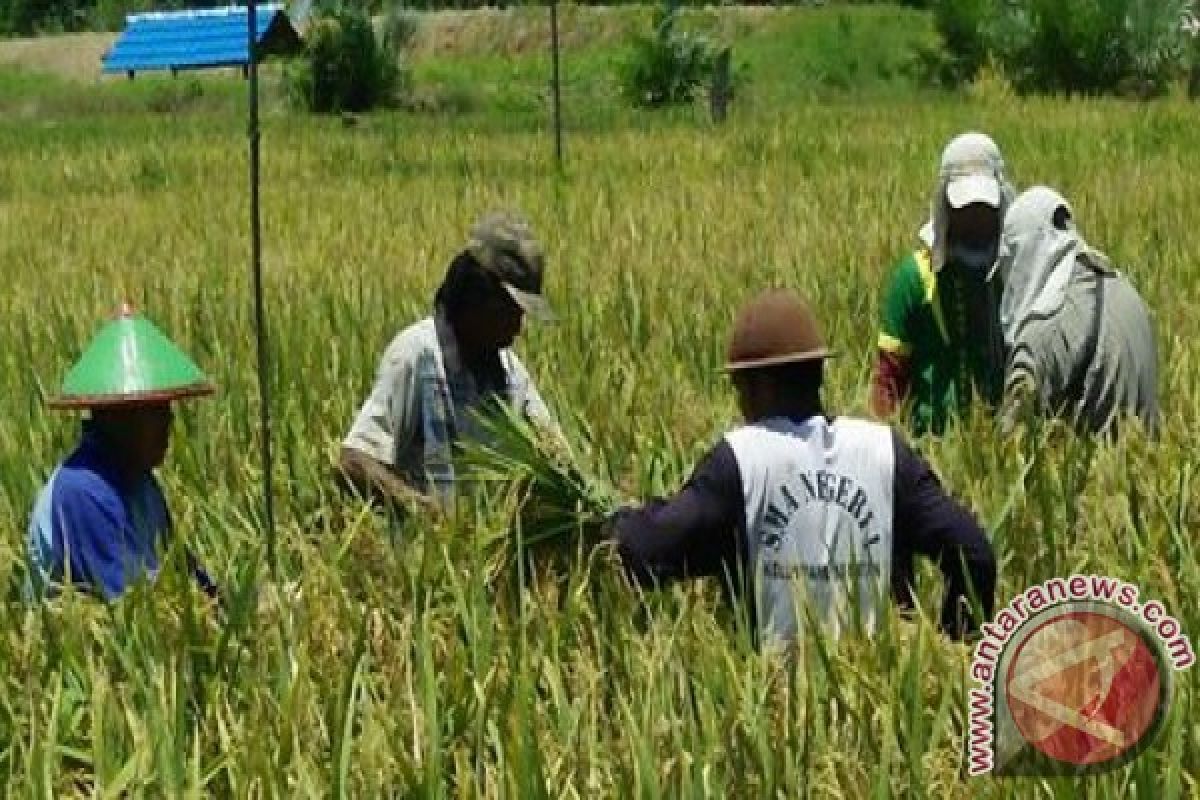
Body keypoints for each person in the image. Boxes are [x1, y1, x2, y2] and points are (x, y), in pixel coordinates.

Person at [611, 290, 996, 648]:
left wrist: (611, 522)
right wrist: (948, 652)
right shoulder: (884, 452)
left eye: (739, 389)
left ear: (759, 384)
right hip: (880, 703)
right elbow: (975, 554)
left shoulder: (742, 461)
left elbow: (647, 549)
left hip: (778, 706)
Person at [340, 210, 560, 512]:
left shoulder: (511, 375)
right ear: (477, 298)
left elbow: (556, 458)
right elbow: (354, 461)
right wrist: (420, 509)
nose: (517, 328)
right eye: (510, 313)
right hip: (425, 554)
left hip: (485, 551)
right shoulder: (416, 355)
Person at [27, 304, 219, 601]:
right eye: (155, 412)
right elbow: (132, 612)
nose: (169, 422)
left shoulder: (143, 485)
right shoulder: (83, 491)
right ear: (117, 419)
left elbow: (180, 571)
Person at [872, 132, 1017, 436]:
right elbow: (888, 377)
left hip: (1004, 443)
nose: (975, 221)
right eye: (965, 210)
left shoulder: (1017, 275)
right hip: (930, 450)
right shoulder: (914, 278)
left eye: (984, 209)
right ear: (946, 208)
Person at [996, 187, 1159, 436]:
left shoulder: (1042, 335)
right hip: (1149, 465)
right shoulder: (1130, 295)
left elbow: (1009, 450)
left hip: (1094, 472)